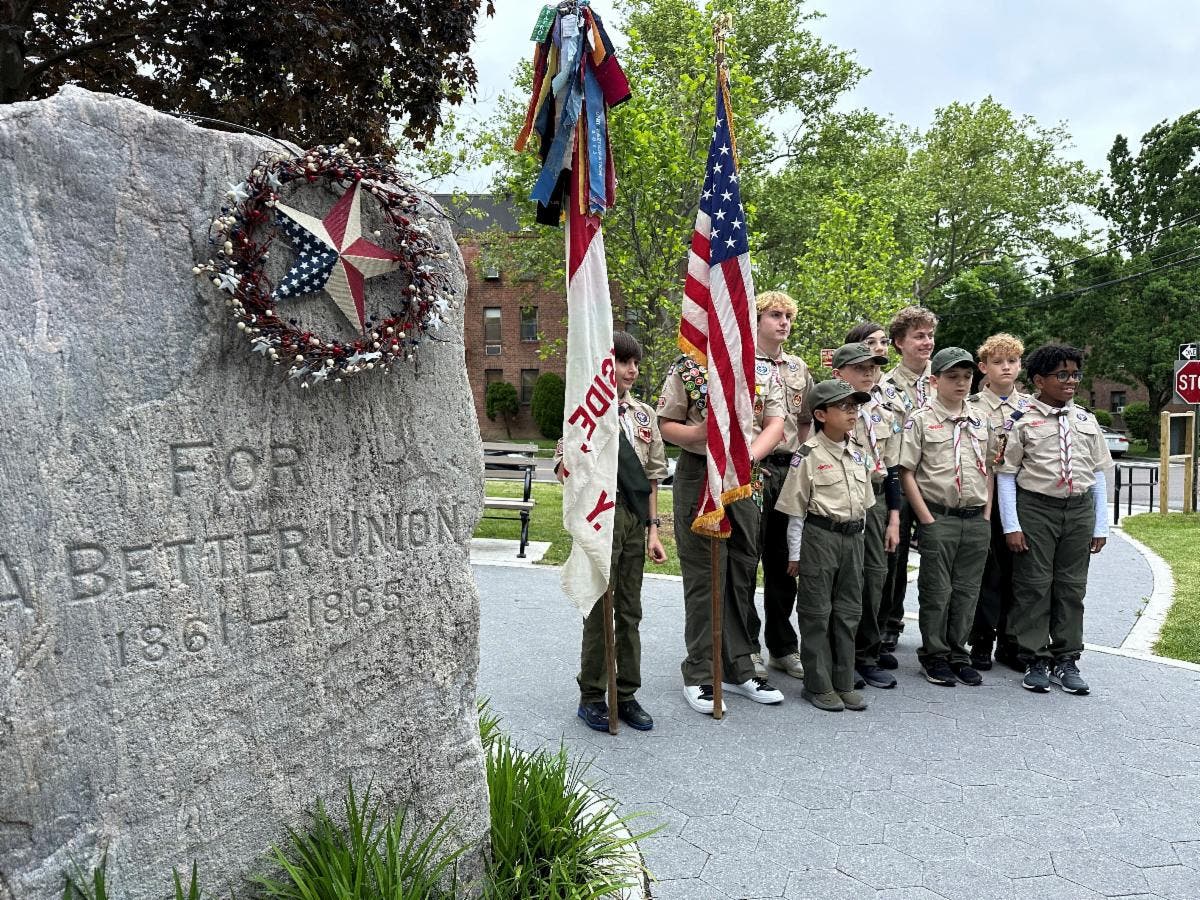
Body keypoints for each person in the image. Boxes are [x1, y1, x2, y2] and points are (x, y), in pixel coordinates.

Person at [658, 332, 787, 714]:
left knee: (743, 572)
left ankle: (740, 667)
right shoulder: (689, 368)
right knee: (705, 577)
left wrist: (743, 458)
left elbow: (776, 422)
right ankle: (700, 672)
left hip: (745, 476)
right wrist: (702, 435)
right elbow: (666, 424)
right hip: (701, 474)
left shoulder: (761, 369)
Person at [558, 332, 669, 732]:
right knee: (599, 608)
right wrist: (577, 452)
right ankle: (592, 694)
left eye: (635, 362)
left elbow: (653, 477)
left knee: (630, 611)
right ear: (606, 366)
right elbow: (562, 470)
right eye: (624, 361)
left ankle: (627, 693)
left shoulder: (644, 416)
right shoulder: (586, 414)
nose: (632, 369)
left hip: (633, 519)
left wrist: (653, 531)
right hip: (599, 518)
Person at [997, 344, 1112, 695]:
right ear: (1039, 380)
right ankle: (1035, 657)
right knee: (1034, 585)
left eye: (1075, 374)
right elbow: (1006, 474)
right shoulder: (1020, 420)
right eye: (1062, 374)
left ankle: (1067, 658)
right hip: (1037, 508)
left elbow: (1098, 475)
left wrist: (1100, 524)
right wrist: (1011, 525)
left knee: (1072, 587)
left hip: (1077, 511)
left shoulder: (1086, 420)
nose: (1071, 381)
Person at [899, 347, 995, 687]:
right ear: (934, 380)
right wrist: (927, 519)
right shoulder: (921, 420)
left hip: (975, 518)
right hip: (939, 516)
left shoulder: (981, 419)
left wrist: (986, 515)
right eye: (953, 377)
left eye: (967, 377)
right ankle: (934, 654)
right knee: (937, 590)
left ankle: (958, 651)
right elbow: (907, 471)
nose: (961, 383)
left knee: (967, 591)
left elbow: (989, 469)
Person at [776, 380, 873, 712]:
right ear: (820, 414)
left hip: (853, 538)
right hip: (820, 537)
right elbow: (795, 511)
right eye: (844, 407)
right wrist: (795, 554)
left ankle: (843, 680)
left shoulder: (858, 452)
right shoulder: (807, 455)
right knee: (817, 611)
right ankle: (817, 684)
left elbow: (865, 504)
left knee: (848, 612)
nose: (852, 412)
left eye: (855, 406)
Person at [746, 290, 816, 682]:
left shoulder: (797, 368)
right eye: (775, 315)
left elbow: (805, 418)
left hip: (787, 468)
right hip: (753, 470)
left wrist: (797, 457)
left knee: (784, 563)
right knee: (747, 561)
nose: (784, 322)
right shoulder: (740, 362)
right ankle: (748, 647)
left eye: (788, 316)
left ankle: (783, 647)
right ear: (757, 320)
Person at [830, 342, 903, 690]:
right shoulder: (828, 408)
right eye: (860, 368)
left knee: (875, 580)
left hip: (873, 502)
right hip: (838, 501)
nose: (869, 373)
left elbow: (892, 470)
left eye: (873, 367)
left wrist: (894, 517)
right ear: (839, 372)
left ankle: (866, 655)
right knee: (843, 582)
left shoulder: (886, 413)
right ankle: (838, 656)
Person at [967, 333, 1032, 671]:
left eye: (1012, 361)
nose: (1006, 367)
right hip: (985, 499)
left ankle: (1012, 640)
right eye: (998, 361)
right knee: (987, 572)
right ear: (984, 367)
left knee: (1018, 573)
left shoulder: (1031, 407)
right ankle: (981, 638)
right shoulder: (973, 407)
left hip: (1024, 500)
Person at [877, 306, 938, 658]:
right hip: (898, 480)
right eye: (918, 336)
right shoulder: (884, 388)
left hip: (934, 481)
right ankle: (889, 624)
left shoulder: (944, 380)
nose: (926, 342)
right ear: (899, 343)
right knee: (894, 560)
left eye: (929, 335)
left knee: (938, 560)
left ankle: (939, 634)